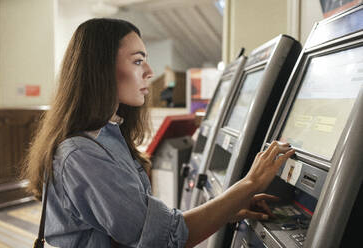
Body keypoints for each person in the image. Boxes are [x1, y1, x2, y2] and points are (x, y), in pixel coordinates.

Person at [22, 18, 295, 248]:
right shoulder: (82, 153)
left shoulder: (106, 134)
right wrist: (250, 183)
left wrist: (227, 208)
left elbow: (154, 224)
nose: (150, 72)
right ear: (102, 70)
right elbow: (164, 238)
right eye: (138, 61)